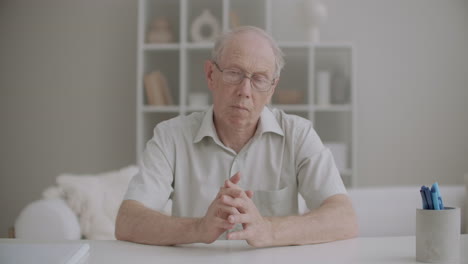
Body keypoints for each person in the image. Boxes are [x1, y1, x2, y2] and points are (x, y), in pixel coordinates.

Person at [115, 26, 358, 247]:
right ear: (211, 75)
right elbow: (128, 220)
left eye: (259, 79)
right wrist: (199, 228)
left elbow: (344, 218)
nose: (245, 91)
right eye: (234, 73)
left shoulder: (298, 134)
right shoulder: (171, 136)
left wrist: (269, 230)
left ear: (272, 88)